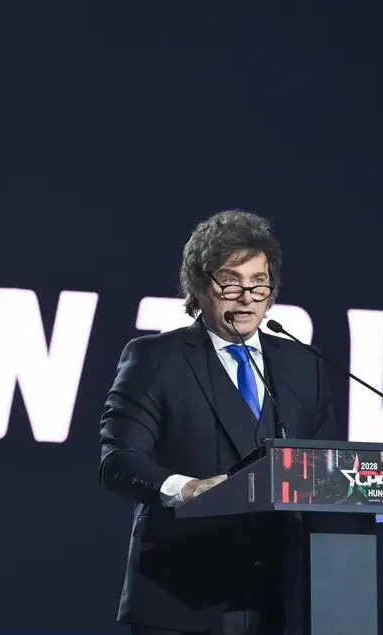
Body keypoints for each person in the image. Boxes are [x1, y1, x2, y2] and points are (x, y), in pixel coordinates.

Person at [99, 209, 339, 635]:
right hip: (179, 596)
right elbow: (118, 462)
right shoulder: (155, 359)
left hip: (275, 600)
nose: (246, 297)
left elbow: (328, 470)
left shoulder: (303, 365)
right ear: (199, 284)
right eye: (230, 282)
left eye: (259, 283)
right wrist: (186, 489)